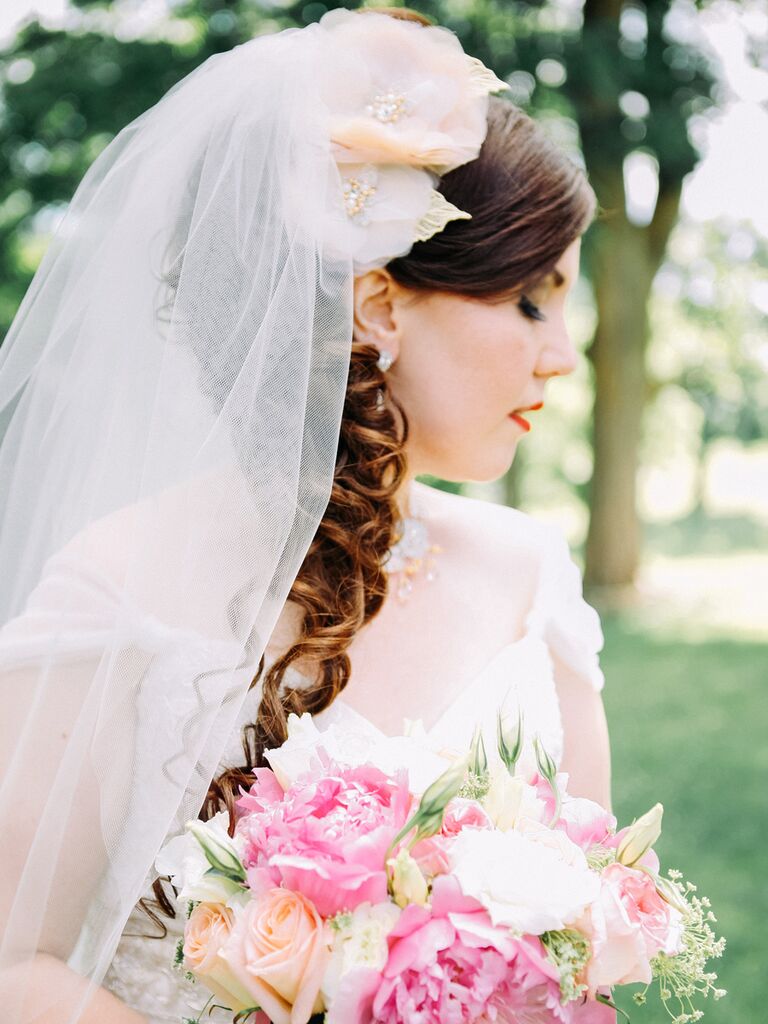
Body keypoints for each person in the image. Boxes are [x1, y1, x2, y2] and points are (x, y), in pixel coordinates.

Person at [0, 7, 609, 1024]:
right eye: (531, 302)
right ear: (377, 304)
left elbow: (585, 940)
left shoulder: (530, 581)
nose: (562, 355)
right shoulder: (115, 591)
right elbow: (15, 966)